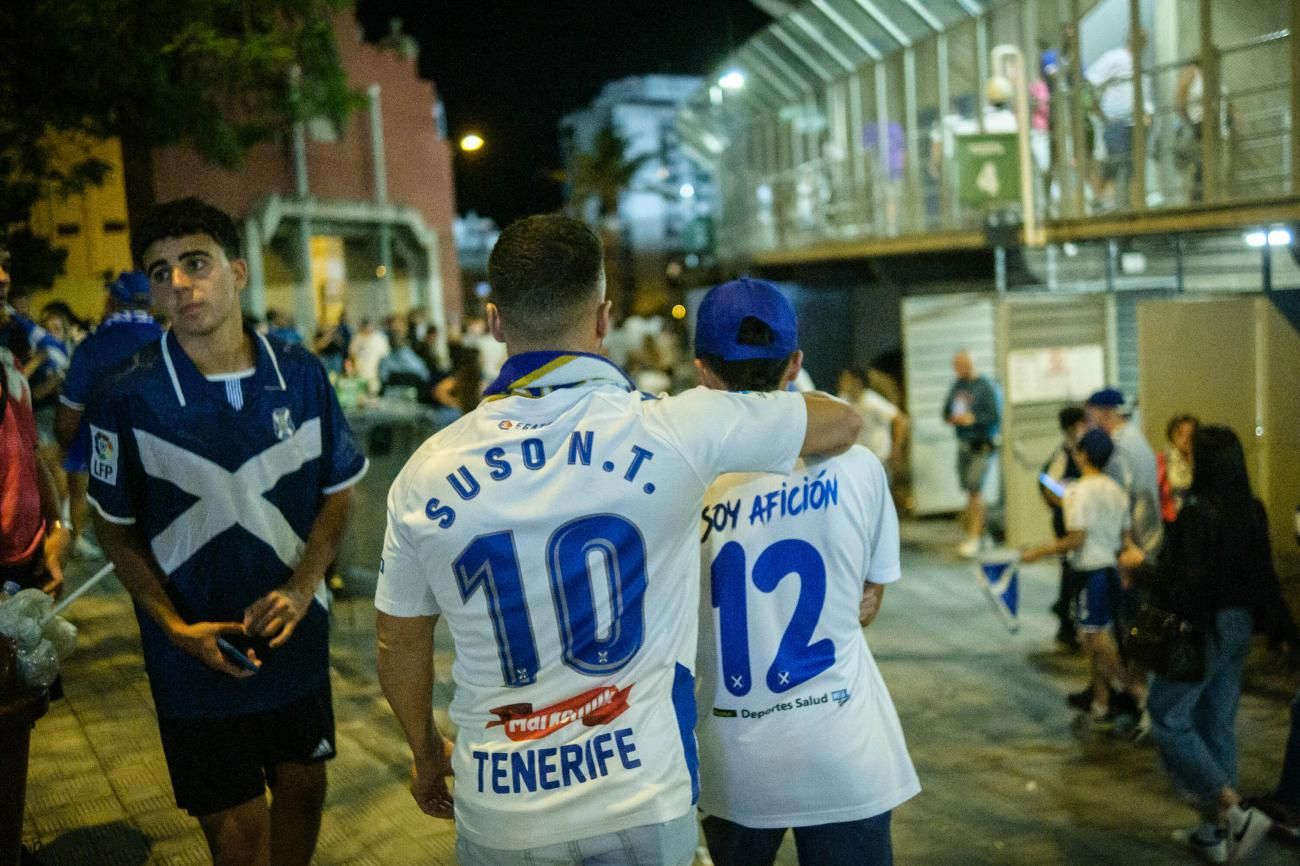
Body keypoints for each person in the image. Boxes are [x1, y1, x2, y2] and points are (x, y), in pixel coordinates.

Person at [373, 219, 860, 866]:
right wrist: (747, 406)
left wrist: (426, 754)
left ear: (493, 321)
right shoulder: (676, 428)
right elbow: (842, 423)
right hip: (641, 797)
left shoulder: (424, 472)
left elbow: (397, 640)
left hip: (503, 808)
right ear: (603, 319)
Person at [87, 197, 368, 866]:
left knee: (302, 789)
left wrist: (303, 589)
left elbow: (337, 492)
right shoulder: (125, 393)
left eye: (195, 263)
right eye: (160, 272)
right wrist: (175, 629)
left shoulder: (301, 376)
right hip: (192, 659)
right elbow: (114, 529)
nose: (179, 285)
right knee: (238, 832)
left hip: (292, 638)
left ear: (238, 271)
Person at [693, 280, 919, 866]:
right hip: (846, 755)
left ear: (701, 372)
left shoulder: (681, 482)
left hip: (733, 760)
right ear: (796, 363)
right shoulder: (862, 469)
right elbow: (869, 601)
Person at [1144, 426, 1276, 863]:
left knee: (1168, 717)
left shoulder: (1200, 513)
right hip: (1239, 626)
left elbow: (1187, 584)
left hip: (1206, 628)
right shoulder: (1251, 509)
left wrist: (1141, 569)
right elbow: (1264, 575)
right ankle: (1214, 834)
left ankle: (1232, 810)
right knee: (1215, 720)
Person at [1023, 428, 1144, 729]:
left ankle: (1137, 693)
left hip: (1090, 572)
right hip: (1112, 571)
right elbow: (1125, 537)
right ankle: (1101, 701)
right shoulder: (1116, 490)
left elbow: (1076, 539)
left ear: (1083, 455)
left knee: (1094, 640)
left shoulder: (1077, 492)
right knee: (1098, 634)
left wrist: (1039, 551)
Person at [54, 271, 164, 561]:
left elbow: (70, 413)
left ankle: (80, 539)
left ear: (113, 300)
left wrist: (66, 444)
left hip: (102, 447)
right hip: (159, 453)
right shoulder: (170, 341)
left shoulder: (93, 346)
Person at [0, 244, 70, 595]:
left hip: (25, 563)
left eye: (4, 264)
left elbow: (29, 455)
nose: (3, 278)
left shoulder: (10, 365)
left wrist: (57, 527)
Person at [1084, 388, 1162, 561]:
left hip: (1135, 531)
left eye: (1090, 415)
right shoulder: (1134, 436)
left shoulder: (1119, 446)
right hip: (1147, 525)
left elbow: (1115, 492)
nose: (1089, 423)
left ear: (1104, 412)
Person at [942, 350, 1000, 557]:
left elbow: (994, 415)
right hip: (964, 444)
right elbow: (946, 412)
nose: (957, 370)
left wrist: (973, 419)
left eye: (960, 365)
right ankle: (981, 536)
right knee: (970, 491)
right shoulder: (958, 386)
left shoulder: (984, 386)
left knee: (975, 490)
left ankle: (975, 537)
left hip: (981, 445)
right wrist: (954, 418)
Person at [1085, 31, 1153, 210]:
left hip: (1135, 124)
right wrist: (1096, 109)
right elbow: (1090, 80)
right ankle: (1104, 202)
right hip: (1116, 122)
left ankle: (1131, 204)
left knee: (1133, 167)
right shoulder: (1114, 58)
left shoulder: (1140, 66)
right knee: (1113, 165)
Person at [1041, 406, 1088, 651]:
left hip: (1073, 521)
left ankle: (1069, 620)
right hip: (1068, 523)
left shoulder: (1079, 450)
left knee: (1072, 572)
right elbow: (1049, 487)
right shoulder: (1064, 455)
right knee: (1070, 572)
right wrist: (1070, 504)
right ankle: (1067, 625)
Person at [837, 366, 906, 474]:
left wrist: (896, 449)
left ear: (857, 382)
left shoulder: (871, 401)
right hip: (857, 461)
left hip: (878, 460)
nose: (841, 382)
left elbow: (899, 419)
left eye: (846, 379)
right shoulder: (843, 400)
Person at [1158, 414, 1197, 524]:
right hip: (1172, 518)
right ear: (1172, 436)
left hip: (1196, 519)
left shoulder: (1203, 460)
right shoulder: (1164, 460)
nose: (1185, 440)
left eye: (1191, 436)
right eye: (1180, 435)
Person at [348, 317, 390, 394]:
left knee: (374, 392)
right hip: (359, 373)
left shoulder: (380, 339)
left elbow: (384, 358)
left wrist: (382, 374)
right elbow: (352, 354)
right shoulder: (357, 338)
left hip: (375, 374)